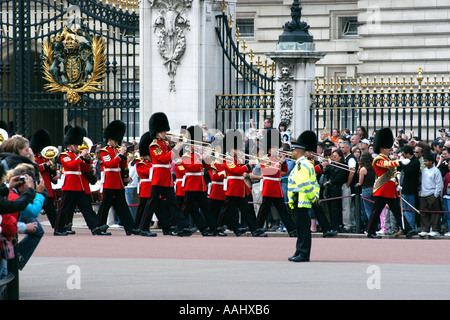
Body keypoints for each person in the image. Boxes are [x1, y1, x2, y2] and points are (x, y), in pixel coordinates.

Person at [137, 112, 193, 237]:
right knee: (151, 204)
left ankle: (182, 227)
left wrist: (178, 143)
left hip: (166, 178)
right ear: (157, 132)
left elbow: (173, 154)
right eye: (163, 131)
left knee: (173, 204)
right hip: (159, 177)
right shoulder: (154, 145)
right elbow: (165, 158)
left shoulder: (164, 143)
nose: (165, 133)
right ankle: (143, 228)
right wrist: (176, 147)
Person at [55, 126, 109, 236]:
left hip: (79, 187)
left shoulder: (76, 156)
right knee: (64, 209)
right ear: (69, 145)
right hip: (70, 186)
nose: (77, 146)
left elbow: (85, 168)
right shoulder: (64, 155)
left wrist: (88, 160)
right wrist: (80, 157)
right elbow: (71, 165)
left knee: (86, 208)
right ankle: (58, 229)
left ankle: (95, 227)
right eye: (75, 145)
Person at [366, 128, 414, 239]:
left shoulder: (386, 158)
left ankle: (407, 229)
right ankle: (370, 232)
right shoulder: (378, 159)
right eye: (388, 148)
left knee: (397, 211)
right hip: (382, 189)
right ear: (382, 149)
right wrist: (399, 162)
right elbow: (387, 164)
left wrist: (397, 183)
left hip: (390, 190)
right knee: (376, 212)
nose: (390, 149)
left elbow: (391, 171)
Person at [218, 130, 266, 237]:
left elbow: (246, 171)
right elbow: (236, 170)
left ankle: (254, 230)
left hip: (240, 188)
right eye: (236, 148)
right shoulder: (227, 158)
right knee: (226, 210)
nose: (238, 150)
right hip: (232, 188)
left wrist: (249, 164)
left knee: (247, 210)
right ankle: (219, 227)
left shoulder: (237, 158)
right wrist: (248, 165)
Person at [97, 120, 140, 236]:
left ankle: (130, 228)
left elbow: (121, 166)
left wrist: (124, 157)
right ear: (110, 139)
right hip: (109, 183)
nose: (117, 142)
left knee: (123, 206)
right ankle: (99, 226)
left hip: (118, 183)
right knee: (105, 206)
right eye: (116, 140)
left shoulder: (116, 150)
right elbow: (109, 164)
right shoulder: (104, 151)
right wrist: (120, 155)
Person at [256, 129, 297, 237]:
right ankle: (257, 228)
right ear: (269, 149)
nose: (277, 149)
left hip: (277, 188)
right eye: (275, 148)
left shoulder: (276, 158)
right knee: (264, 210)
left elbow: (284, 171)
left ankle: (292, 230)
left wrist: (283, 162)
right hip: (269, 187)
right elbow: (268, 171)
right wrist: (279, 162)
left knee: (283, 211)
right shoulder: (265, 158)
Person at [5, 164, 46, 270]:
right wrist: (39, 193)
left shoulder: (10, 192)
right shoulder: (14, 196)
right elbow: (33, 212)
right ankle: (15, 262)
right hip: (5, 237)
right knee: (5, 272)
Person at [287, 131, 319, 262]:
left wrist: (312, 197)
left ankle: (303, 253)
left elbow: (305, 184)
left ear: (298, 151)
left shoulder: (302, 164)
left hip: (302, 200)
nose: (291, 152)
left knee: (303, 228)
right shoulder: (303, 163)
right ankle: (299, 251)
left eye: (293, 150)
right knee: (301, 228)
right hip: (298, 199)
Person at [181, 125, 215, 236]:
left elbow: (209, 166)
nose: (198, 145)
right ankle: (181, 226)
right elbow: (191, 168)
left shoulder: (198, 154)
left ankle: (211, 227)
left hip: (201, 185)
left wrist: (206, 157)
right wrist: (201, 158)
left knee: (205, 207)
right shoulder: (186, 155)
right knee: (187, 208)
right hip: (191, 184)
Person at [30, 129, 60, 229]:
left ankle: (57, 227)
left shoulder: (46, 158)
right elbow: (34, 167)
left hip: (47, 188)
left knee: (51, 209)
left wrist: (56, 173)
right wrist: (45, 165)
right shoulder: (33, 158)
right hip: (37, 186)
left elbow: (52, 169)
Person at [418, 154, 443, 237]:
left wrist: (436, 194)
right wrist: (421, 192)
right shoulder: (424, 171)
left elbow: (439, 183)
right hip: (424, 194)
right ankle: (425, 229)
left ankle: (435, 229)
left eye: (426, 161)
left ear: (431, 161)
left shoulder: (436, 171)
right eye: (424, 161)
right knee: (424, 212)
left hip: (432, 194)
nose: (425, 162)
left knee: (434, 212)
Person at [322, 149, 347, 233]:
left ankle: (336, 226)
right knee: (330, 209)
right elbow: (325, 172)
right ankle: (332, 226)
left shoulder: (343, 165)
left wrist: (329, 182)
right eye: (333, 156)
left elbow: (339, 178)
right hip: (330, 189)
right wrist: (325, 165)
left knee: (335, 208)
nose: (334, 158)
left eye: (336, 156)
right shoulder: (332, 165)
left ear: (340, 157)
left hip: (336, 189)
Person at [339, 138, 358, 232]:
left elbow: (352, 172)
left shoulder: (351, 159)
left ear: (348, 148)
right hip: (348, 185)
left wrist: (347, 184)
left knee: (347, 207)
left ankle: (348, 225)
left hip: (349, 186)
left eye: (343, 147)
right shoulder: (346, 158)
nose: (341, 149)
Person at [400, 145, 421, 231]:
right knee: (404, 209)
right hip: (405, 188)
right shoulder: (409, 161)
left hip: (411, 189)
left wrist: (404, 164)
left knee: (409, 209)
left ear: (407, 153)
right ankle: (405, 226)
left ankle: (410, 227)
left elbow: (408, 172)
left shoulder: (415, 162)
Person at [357, 151, 376, 227]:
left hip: (365, 189)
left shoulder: (363, 169)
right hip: (373, 188)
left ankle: (370, 226)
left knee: (368, 209)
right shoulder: (374, 167)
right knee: (373, 209)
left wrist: (358, 183)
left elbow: (360, 182)